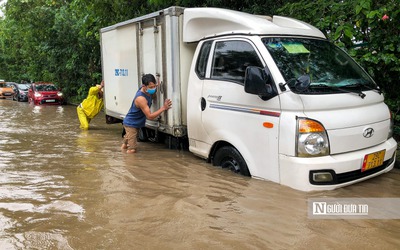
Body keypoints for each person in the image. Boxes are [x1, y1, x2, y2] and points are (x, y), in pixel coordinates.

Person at [121, 74, 172, 153]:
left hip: (135, 123)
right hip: (131, 124)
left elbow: (152, 87)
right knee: (132, 150)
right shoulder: (141, 99)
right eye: (150, 87)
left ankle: (122, 149)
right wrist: (163, 108)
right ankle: (127, 162)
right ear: (144, 86)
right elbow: (150, 116)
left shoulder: (146, 89)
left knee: (126, 143)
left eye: (154, 86)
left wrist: (155, 85)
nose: (153, 89)